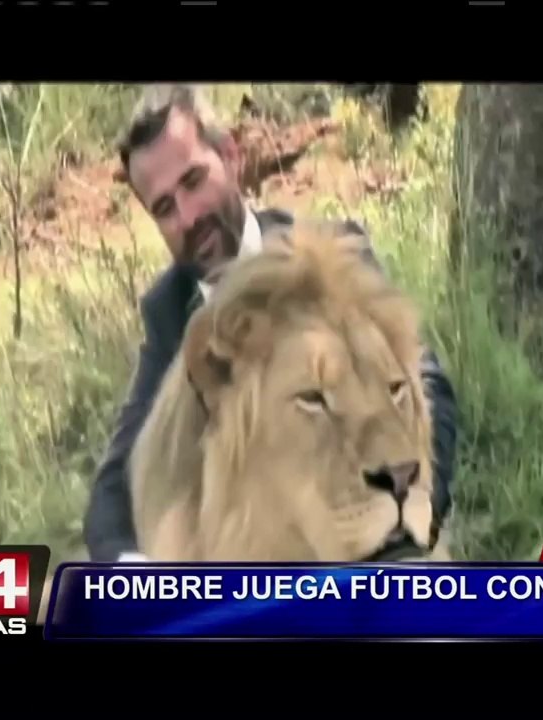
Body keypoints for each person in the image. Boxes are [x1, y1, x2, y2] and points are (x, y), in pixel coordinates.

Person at [82, 84, 459, 562]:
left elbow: (429, 388)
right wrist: (136, 574)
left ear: (232, 157)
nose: (190, 215)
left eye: (194, 181)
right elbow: (114, 487)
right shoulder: (172, 313)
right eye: (164, 208)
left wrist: (415, 514)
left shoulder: (335, 258)